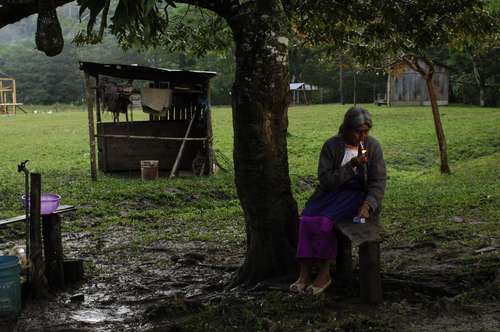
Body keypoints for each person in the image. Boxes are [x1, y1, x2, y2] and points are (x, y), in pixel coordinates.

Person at [290, 107, 387, 295]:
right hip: (329, 193)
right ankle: (304, 273)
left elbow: (378, 181)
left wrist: (369, 205)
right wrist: (352, 166)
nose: (362, 136)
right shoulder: (331, 146)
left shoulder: (373, 147)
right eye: (358, 131)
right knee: (307, 219)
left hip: (356, 197)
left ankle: (324, 274)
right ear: (346, 128)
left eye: (366, 132)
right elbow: (325, 180)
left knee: (325, 221)